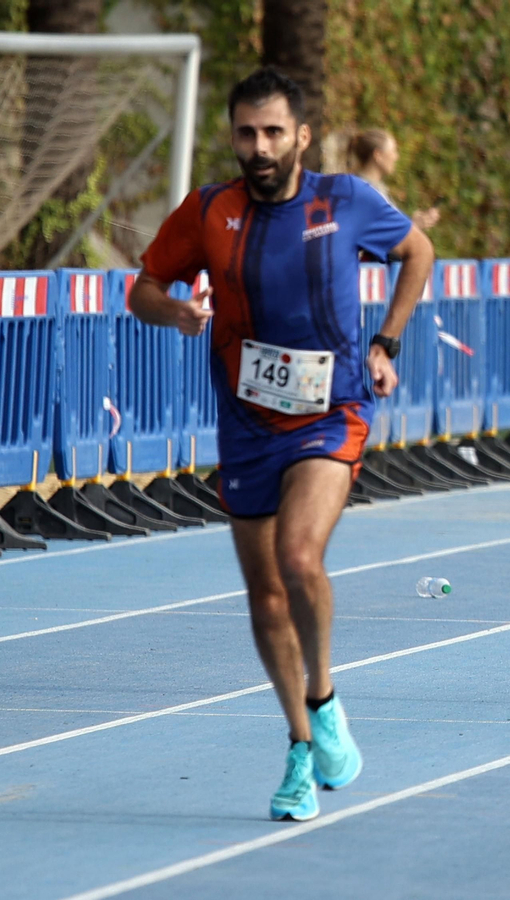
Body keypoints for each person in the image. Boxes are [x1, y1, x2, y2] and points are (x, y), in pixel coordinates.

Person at [129, 68, 435, 820]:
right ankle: (301, 747)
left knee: (300, 558)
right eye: (245, 133)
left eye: (273, 133)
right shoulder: (209, 211)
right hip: (246, 421)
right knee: (265, 593)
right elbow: (142, 289)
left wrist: (387, 342)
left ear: (301, 136)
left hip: (332, 413)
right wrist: (177, 314)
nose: (258, 148)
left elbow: (418, 252)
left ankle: (324, 696)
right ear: (232, 135)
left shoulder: (346, 202)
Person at [347, 128, 441, 230]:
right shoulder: (366, 191)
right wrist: (413, 226)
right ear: (378, 155)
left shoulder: (368, 188)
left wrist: (412, 223)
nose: (396, 157)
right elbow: (378, 236)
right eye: (393, 151)